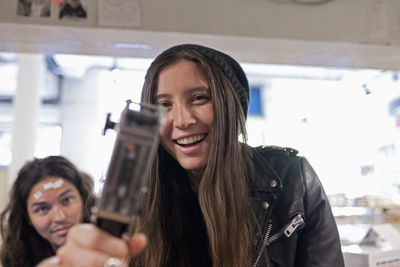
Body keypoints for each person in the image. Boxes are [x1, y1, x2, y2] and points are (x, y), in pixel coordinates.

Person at [38, 44, 345, 267]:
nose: (181, 120)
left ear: (232, 108)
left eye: (199, 98)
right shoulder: (133, 202)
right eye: (164, 105)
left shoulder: (291, 179)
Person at [0, 155, 94, 267]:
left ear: (83, 199)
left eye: (66, 200)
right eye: (42, 209)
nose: (60, 217)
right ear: (28, 217)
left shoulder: (110, 248)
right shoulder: (18, 259)